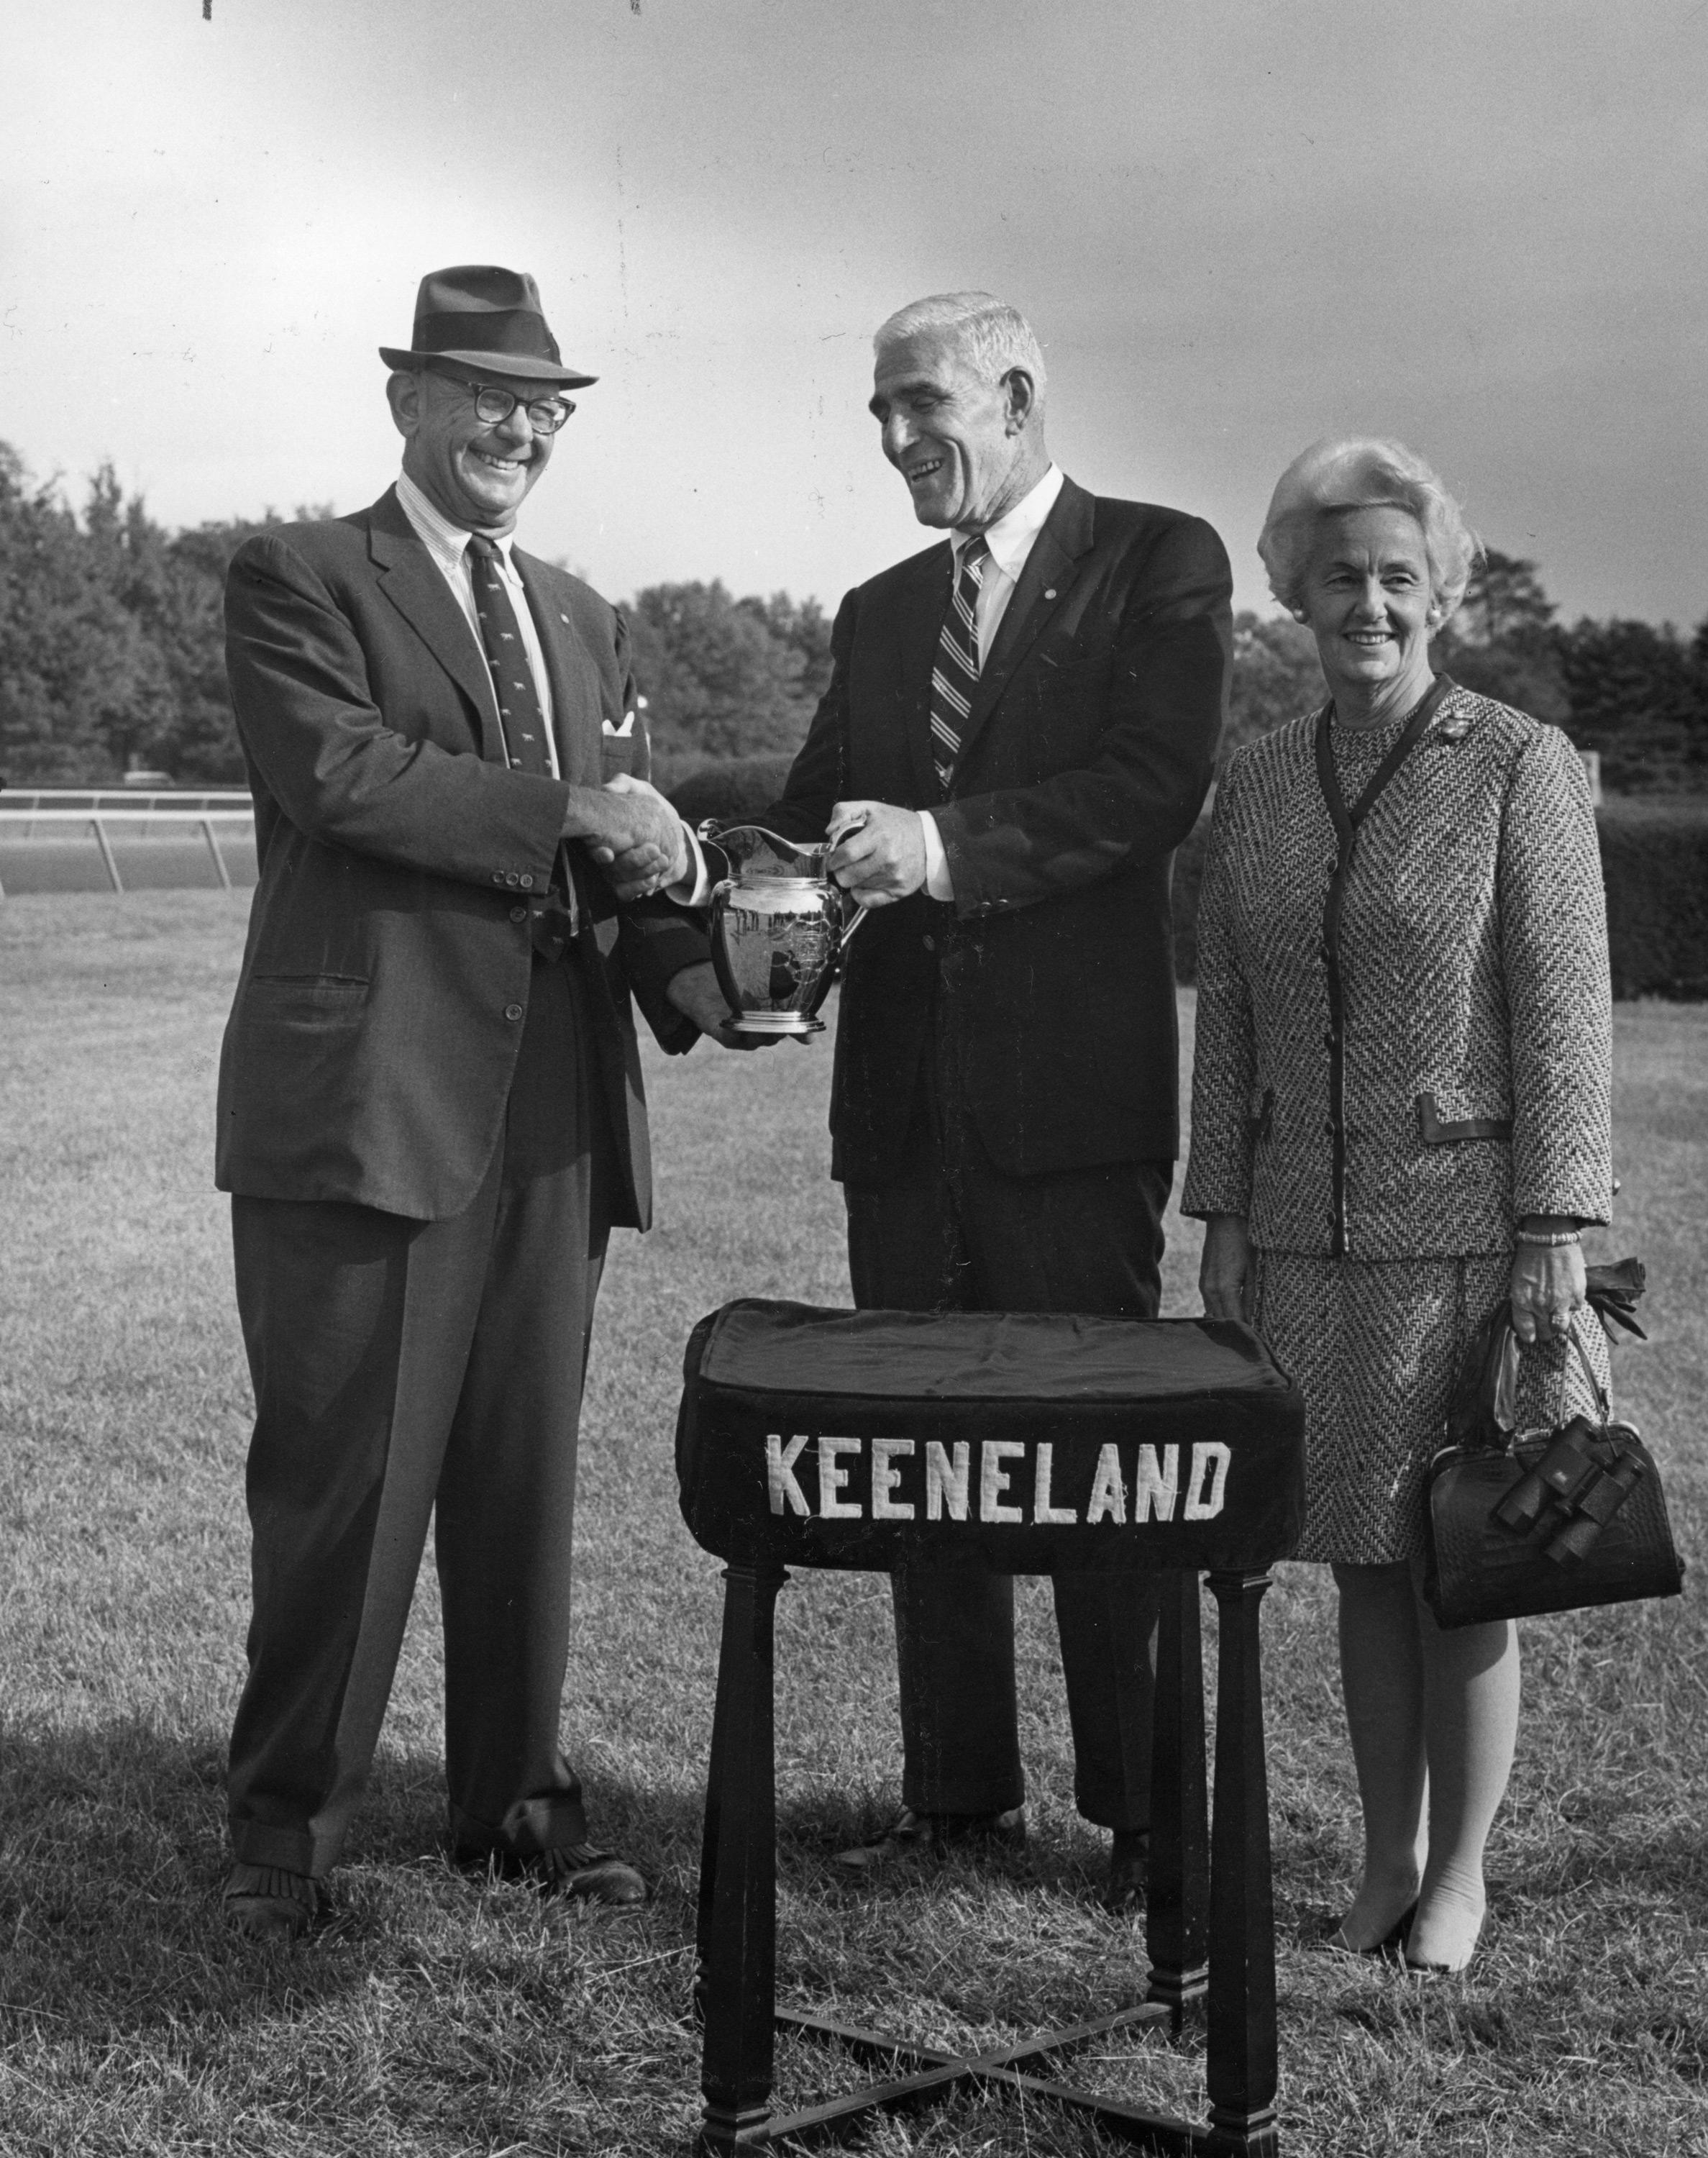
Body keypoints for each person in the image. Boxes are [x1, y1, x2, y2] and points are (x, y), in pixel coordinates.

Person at [215, 265, 745, 1940]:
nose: (523, 425)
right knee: (345, 1481)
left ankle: (515, 1808)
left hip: (552, 1111)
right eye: (487, 392)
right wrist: (585, 806)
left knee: (521, 1479)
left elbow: (620, 863)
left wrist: (713, 985)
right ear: (407, 402)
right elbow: (345, 776)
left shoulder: (583, 612)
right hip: (372, 1104)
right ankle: (287, 1830)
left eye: (548, 403)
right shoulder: (300, 574)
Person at [735, 291, 1232, 1906]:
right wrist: (725, 901)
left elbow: (1149, 791)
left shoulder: (1162, 559)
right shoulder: (879, 609)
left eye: (920, 405)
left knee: (1101, 1457)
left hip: (1072, 1117)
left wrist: (942, 849)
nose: (893, 440)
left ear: (1017, 395)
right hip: (899, 1115)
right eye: (877, 411)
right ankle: (955, 1796)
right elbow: (815, 814)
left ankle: (1145, 1807)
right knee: (914, 1451)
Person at [1183, 437, 1613, 1974]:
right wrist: (1220, 1209)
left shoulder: (1516, 763)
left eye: (1397, 578)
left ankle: (1464, 1878)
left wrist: (1555, 1226)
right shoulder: (1262, 781)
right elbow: (1224, 1009)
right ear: (1292, 590)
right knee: (1361, 1553)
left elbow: (1563, 1005)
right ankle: (1387, 1859)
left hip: (1470, 1235)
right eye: (1339, 576)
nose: (1368, 603)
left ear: (1442, 592)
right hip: (1308, 1229)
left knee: (1466, 1552)